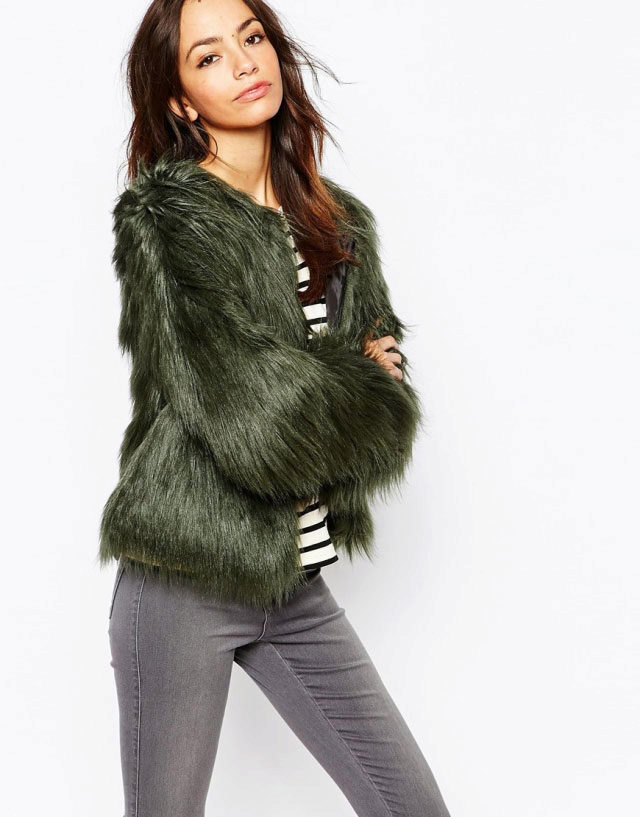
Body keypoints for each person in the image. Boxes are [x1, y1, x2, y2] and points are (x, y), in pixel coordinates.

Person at [100, 1, 451, 815]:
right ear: (180, 99)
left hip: (295, 585)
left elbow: (374, 412)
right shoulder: (169, 220)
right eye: (208, 56)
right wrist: (364, 387)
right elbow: (257, 424)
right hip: (182, 583)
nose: (242, 62)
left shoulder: (337, 222)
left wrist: (347, 393)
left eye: (252, 38)